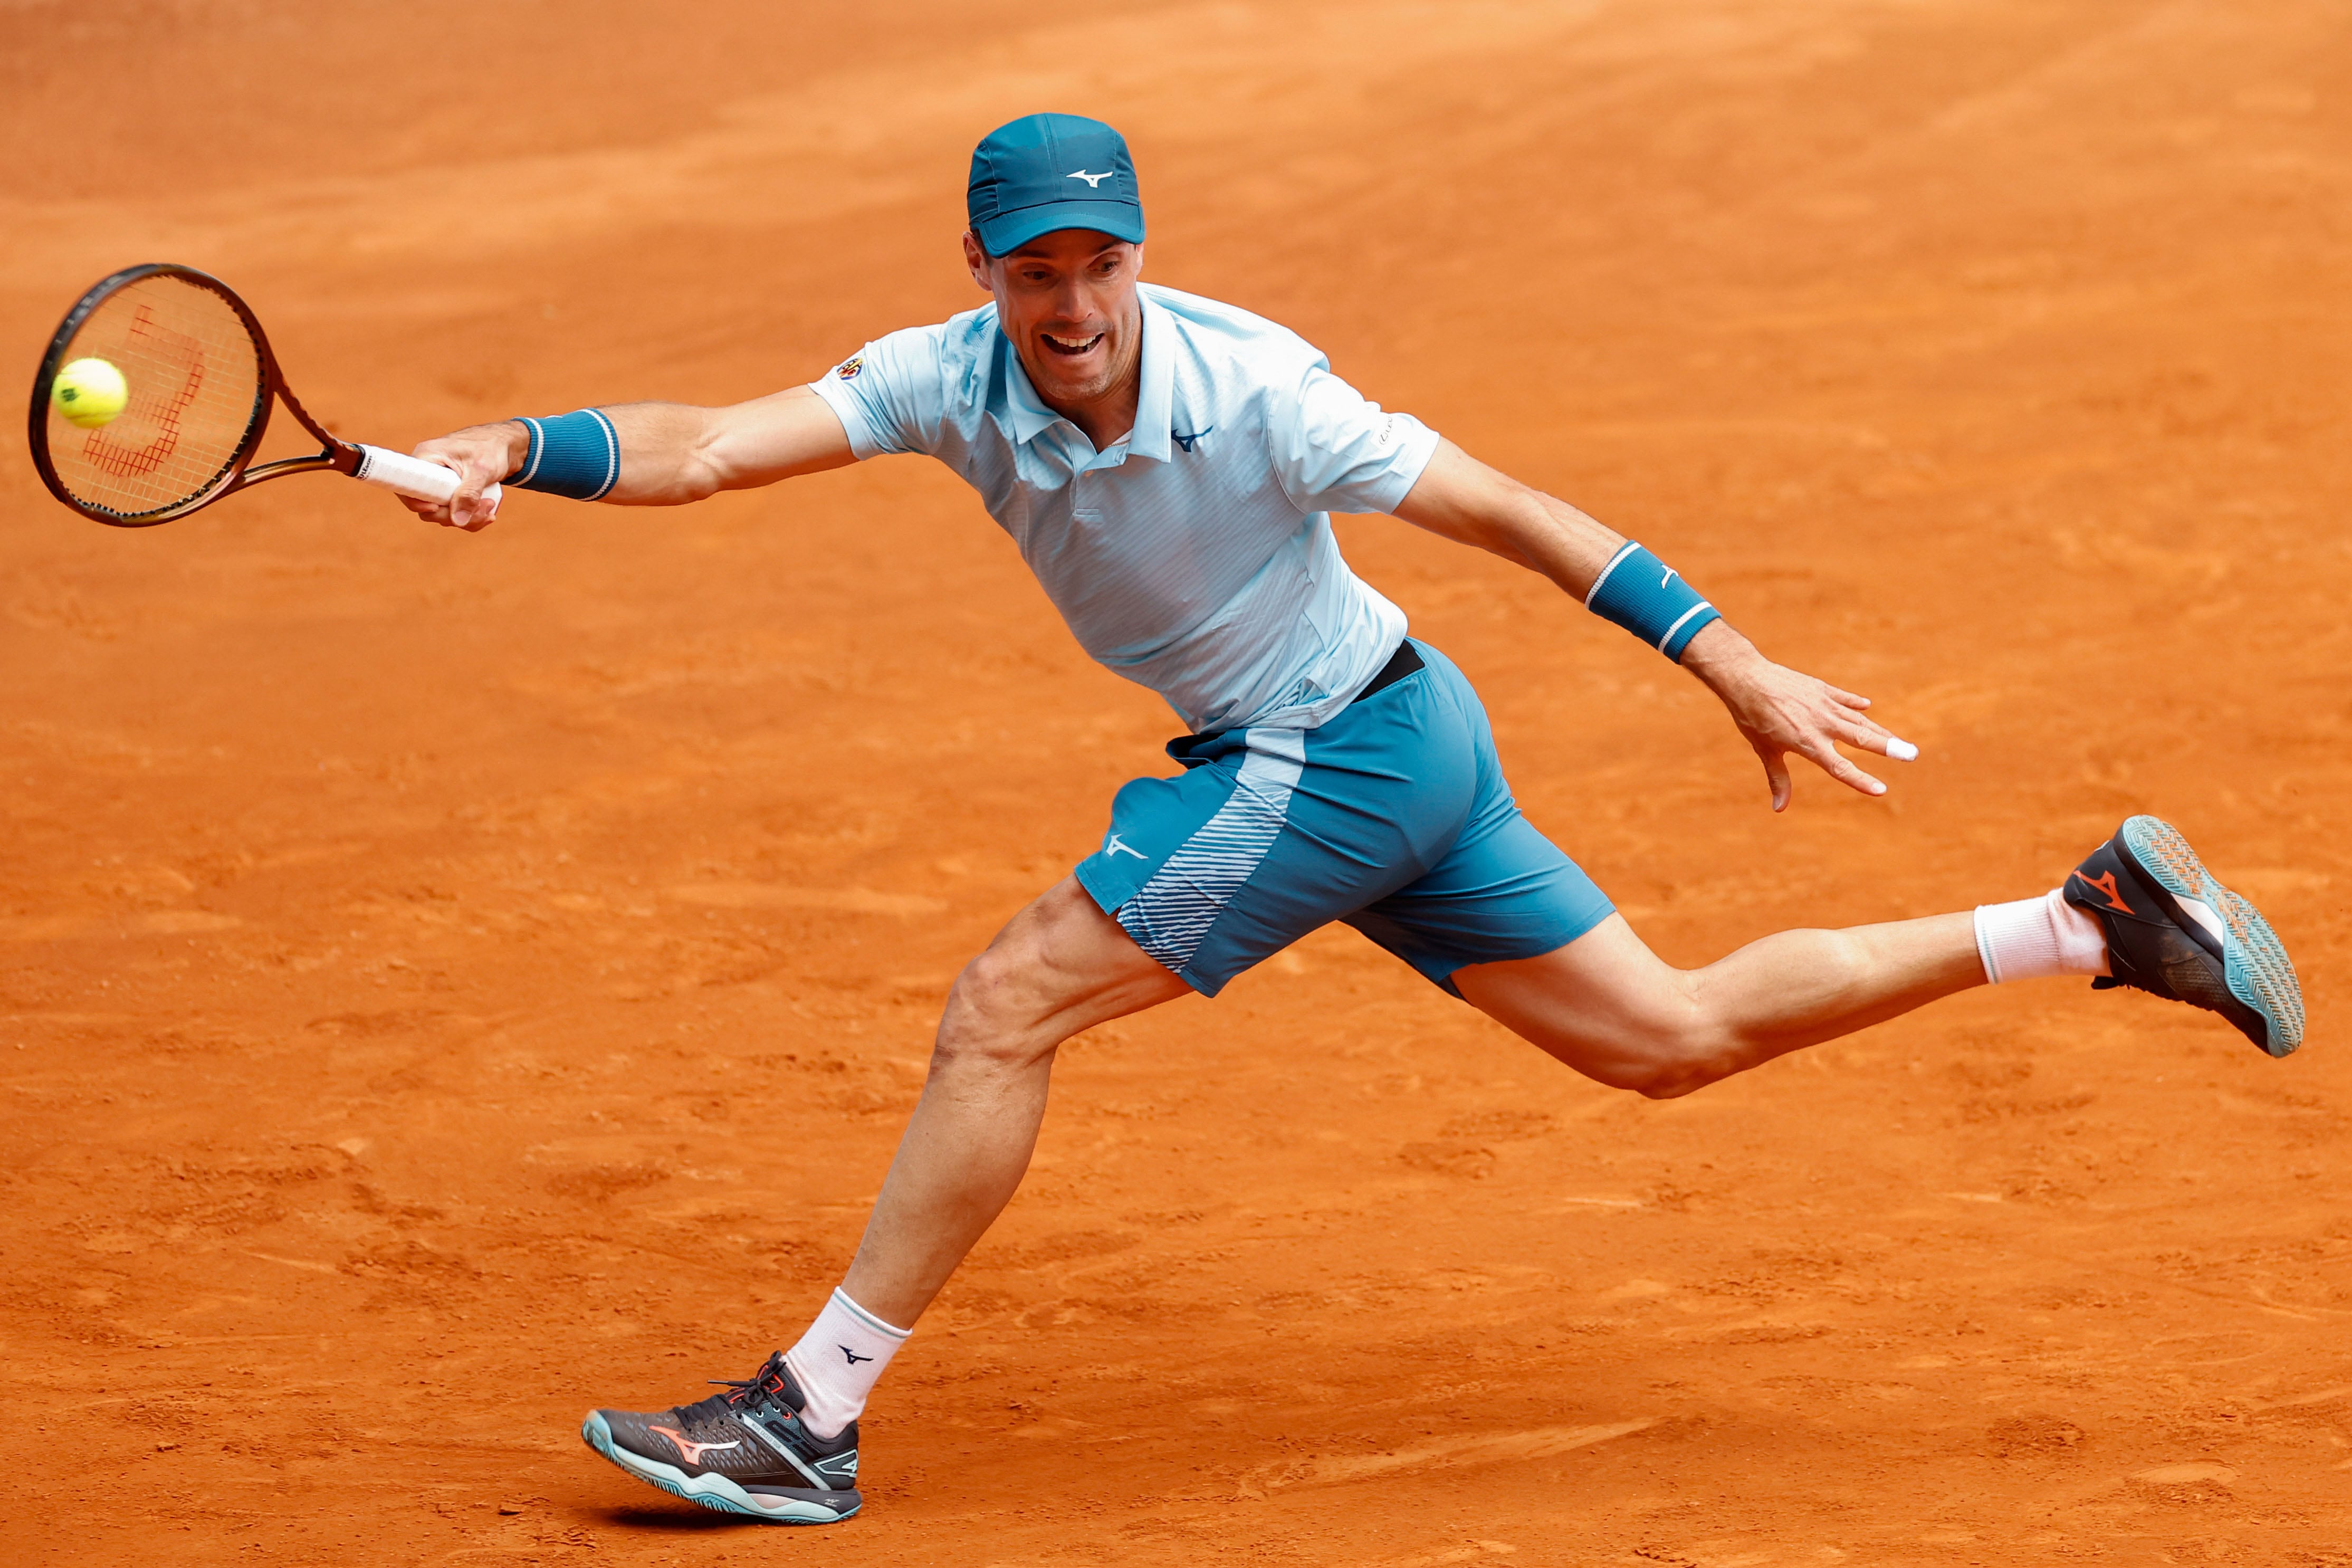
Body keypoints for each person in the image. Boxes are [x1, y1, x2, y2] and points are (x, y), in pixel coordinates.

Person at [403, 113, 2303, 1526]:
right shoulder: (941, 374)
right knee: (1669, 1036)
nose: (1066, 302)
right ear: (985, 272)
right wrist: (515, 448)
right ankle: (2087, 919)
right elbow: (712, 446)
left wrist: (1728, 660)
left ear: (1137, 260)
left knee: (1006, 1007)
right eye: (1030, 270)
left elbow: (1517, 515)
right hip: (1402, 740)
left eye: (1095, 265)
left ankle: (807, 1416)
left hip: (1332, 753)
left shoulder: (1263, 395)